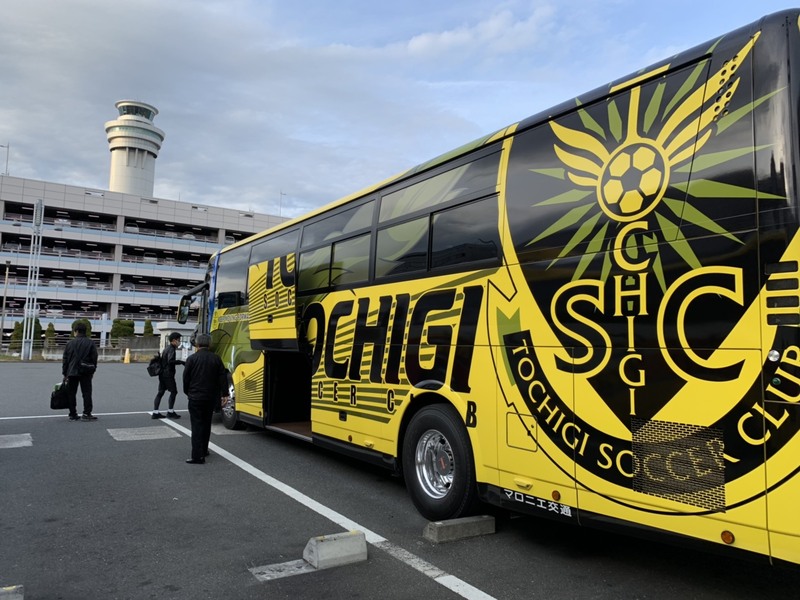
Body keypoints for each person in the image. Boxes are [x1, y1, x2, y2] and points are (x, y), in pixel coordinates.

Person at [182, 333, 229, 464]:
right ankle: (204, 450)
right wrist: (224, 394)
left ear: (197, 344)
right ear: (210, 344)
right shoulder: (216, 358)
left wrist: (188, 392)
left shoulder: (192, 359)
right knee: (206, 423)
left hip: (195, 396)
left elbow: (186, 378)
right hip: (210, 397)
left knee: (197, 425)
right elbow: (222, 378)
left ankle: (197, 456)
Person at [62, 322, 99, 421]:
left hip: (72, 371)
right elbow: (94, 358)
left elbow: (65, 360)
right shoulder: (90, 343)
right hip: (86, 371)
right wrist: (93, 369)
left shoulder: (69, 344)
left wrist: (65, 373)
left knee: (71, 393)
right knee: (86, 393)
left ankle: (72, 414)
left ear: (76, 331)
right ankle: (87, 413)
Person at [152, 331, 184, 419]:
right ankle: (170, 411)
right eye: (178, 340)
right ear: (174, 340)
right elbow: (170, 361)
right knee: (174, 392)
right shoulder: (171, 349)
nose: (179, 342)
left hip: (162, 374)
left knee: (161, 392)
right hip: (168, 374)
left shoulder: (166, 348)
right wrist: (181, 362)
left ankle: (155, 412)